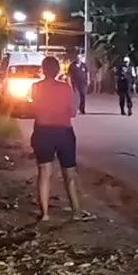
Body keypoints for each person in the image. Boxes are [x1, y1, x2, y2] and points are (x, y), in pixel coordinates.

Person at [30, 56, 88, 221]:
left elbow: (34, 108)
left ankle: (45, 214)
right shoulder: (66, 88)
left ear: (43, 70)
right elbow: (73, 112)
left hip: (42, 132)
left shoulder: (35, 87)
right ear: (57, 70)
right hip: (64, 132)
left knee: (44, 172)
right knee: (69, 174)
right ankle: (76, 211)